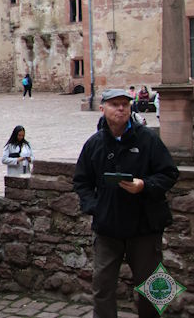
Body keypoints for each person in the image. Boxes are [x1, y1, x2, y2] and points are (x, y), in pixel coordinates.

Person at [73, 89, 179, 318]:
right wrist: (95, 208)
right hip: (108, 229)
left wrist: (144, 185)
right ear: (102, 109)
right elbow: (81, 181)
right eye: (115, 104)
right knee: (102, 286)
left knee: (154, 287)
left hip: (145, 227)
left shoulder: (148, 139)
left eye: (125, 104)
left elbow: (169, 173)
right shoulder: (94, 144)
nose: (121, 108)